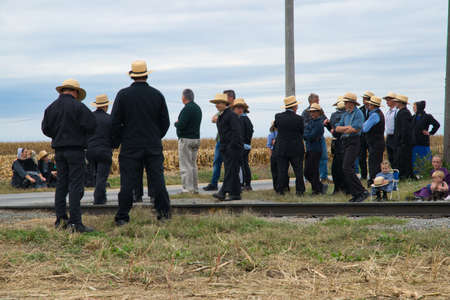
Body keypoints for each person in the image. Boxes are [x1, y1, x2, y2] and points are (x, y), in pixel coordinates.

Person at [111, 60, 171, 225]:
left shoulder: (123, 95)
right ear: (146, 74)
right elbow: (165, 122)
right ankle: (164, 214)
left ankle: (123, 216)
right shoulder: (157, 95)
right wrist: (155, 136)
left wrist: (120, 139)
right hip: (152, 144)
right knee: (157, 180)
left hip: (130, 145)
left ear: (132, 76)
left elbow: (115, 122)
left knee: (127, 182)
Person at [41, 79, 96, 233]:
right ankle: (75, 223)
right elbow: (92, 125)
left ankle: (60, 220)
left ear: (62, 90)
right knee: (75, 185)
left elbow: (45, 129)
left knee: (61, 185)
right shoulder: (79, 107)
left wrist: (57, 135)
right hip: (75, 150)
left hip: (59, 150)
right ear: (75, 92)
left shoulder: (51, 108)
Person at [335, 92, 369, 202]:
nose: (344, 104)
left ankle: (361, 191)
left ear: (351, 103)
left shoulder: (358, 113)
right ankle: (356, 193)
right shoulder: (346, 113)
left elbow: (355, 129)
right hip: (345, 141)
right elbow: (337, 128)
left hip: (354, 141)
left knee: (347, 167)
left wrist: (344, 128)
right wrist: (346, 128)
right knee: (347, 168)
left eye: (346, 102)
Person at [210, 93, 243, 201]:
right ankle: (236, 194)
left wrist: (231, 147)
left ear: (225, 103)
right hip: (225, 148)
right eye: (216, 103)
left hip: (233, 148)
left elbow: (236, 132)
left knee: (230, 171)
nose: (217, 105)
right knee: (232, 171)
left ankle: (223, 192)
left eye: (219, 103)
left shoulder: (231, 115)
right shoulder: (222, 115)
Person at [203, 90, 236, 191]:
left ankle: (230, 186)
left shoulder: (234, 110)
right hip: (220, 140)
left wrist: (220, 118)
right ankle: (214, 183)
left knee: (229, 164)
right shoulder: (223, 111)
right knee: (217, 162)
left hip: (229, 142)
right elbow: (213, 119)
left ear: (231, 98)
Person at [274, 96, 305, 196]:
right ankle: (299, 191)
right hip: (296, 148)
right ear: (295, 106)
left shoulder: (278, 117)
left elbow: (276, 127)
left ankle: (280, 190)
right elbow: (302, 132)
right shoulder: (299, 119)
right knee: (298, 171)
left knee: (282, 170)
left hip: (282, 148)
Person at [86, 94, 113, 205]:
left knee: (95, 175)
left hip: (91, 150)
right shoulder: (109, 119)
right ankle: (99, 199)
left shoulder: (89, 118)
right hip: (104, 150)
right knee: (102, 176)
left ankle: (101, 196)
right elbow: (115, 135)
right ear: (106, 106)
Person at [175, 89, 202, 194]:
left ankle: (187, 189)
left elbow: (181, 124)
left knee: (185, 165)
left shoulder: (187, 109)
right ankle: (195, 188)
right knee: (193, 165)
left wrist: (176, 123)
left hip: (186, 139)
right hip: (196, 139)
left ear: (184, 97)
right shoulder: (197, 108)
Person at [302, 93, 328, 183]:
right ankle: (311, 178)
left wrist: (327, 123)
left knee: (323, 157)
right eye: (317, 100)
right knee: (311, 160)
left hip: (320, 137)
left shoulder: (320, 110)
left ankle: (323, 177)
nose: (318, 102)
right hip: (311, 139)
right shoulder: (305, 112)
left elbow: (325, 120)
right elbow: (304, 126)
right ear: (310, 101)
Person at [325, 97, 348, 194]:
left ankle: (337, 188)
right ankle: (345, 188)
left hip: (337, 143)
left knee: (336, 167)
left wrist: (328, 126)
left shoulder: (334, 115)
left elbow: (333, 132)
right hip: (347, 142)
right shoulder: (348, 115)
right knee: (345, 166)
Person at [362, 96, 385, 187]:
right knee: (375, 162)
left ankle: (374, 182)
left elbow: (365, 128)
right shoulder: (378, 114)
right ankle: (376, 181)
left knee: (373, 163)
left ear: (373, 105)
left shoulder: (374, 115)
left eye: (370, 104)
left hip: (375, 143)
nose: (368, 105)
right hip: (377, 142)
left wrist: (363, 125)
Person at [231, 98, 254, 191]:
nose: (239, 109)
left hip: (242, 146)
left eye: (241, 107)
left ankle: (245, 184)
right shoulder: (246, 119)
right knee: (245, 164)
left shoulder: (241, 119)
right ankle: (247, 184)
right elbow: (251, 131)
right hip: (246, 145)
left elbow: (240, 133)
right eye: (237, 107)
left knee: (243, 165)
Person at [303, 103, 325, 195]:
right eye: (311, 112)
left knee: (312, 170)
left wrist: (307, 135)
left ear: (318, 112)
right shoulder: (311, 122)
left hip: (316, 149)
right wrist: (307, 135)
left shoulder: (319, 124)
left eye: (314, 111)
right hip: (309, 149)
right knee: (308, 171)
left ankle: (317, 189)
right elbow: (306, 133)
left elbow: (311, 136)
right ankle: (319, 187)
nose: (312, 113)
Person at [411, 100, 440, 171]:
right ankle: (416, 174)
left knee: (424, 160)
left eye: (414, 107)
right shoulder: (413, 117)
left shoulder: (427, 116)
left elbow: (437, 125)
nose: (413, 109)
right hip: (414, 143)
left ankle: (425, 172)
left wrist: (430, 132)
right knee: (415, 160)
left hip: (423, 143)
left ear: (419, 107)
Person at [392, 94, 414, 179]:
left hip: (404, 142)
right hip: (402, 141)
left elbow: (404, 129)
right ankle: (403, 175)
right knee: (401, 159)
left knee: (403, 159)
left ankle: (404, 175)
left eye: (397, 102)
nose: (395, 103)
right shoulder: (402, 112)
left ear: (400, 103)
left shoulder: (404, 113)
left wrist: (402, 141)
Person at [358, 91, 374, 181]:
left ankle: (372, 174)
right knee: (361, 157)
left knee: (372, 156)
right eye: (364, 98)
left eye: (366, 98)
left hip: (371, 137)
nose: (364, 100)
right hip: (362, 137)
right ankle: (363, 175)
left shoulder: (373, 111)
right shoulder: (361, 110)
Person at [383, 92, 398, 167]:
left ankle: (396, 172)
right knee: (390, 156)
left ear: (394, 101)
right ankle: (393, 170)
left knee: (395, 155)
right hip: (389, 135)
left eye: (388, 100)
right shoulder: (388, 111)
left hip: (394, 135)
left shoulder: (396, 111)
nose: (387, 102)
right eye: (386, 100)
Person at [266, 122, 279, 192]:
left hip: (274, 153)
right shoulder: (272, 135)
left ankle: (276, 187)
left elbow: (269, 146)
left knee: (275, 172)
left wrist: (271, 156)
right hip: (278, 154)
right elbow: (269, 146)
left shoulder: (271, 135)